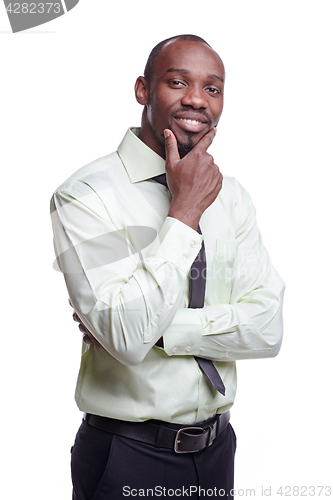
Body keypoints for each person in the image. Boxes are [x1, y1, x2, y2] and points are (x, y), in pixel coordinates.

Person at [51, 34, 285, 500]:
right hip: (126, 455)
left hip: (218, 451)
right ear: (143, 90)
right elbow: (126, 339)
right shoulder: (85, 196)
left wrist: (159, 329)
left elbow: (268, 328)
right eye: (177, 82)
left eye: (212, 88)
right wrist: (185, 212)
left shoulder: (233, 196)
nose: (196, 99)